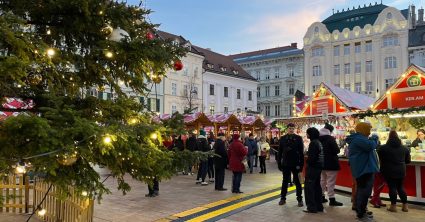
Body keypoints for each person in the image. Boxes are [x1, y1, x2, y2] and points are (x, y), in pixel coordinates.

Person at [346, 122, 379, 220]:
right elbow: (370, 146)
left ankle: (361, 210)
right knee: (364, 191)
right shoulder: (358, 139)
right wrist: (375, 138)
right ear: (364, 129)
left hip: (364, 168)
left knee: (363, 191)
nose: (370, 131)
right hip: (364, 169)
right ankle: (361, 213)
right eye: (368, 129)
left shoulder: (359, 138)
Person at [379, 130, 411, 212]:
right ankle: (405, 206)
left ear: (389, 137)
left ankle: (393, 206)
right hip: (401, 170)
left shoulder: (383, 148)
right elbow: (408, 161)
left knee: (392, 187)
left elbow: (380, 159)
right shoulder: (405, 148)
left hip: (388, 170)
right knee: (400, 187)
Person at [277, 123, 304, 207]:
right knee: (285, 181)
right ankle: (283, 198)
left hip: (296, 163)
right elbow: (280, 152)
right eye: (290, 128)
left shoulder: (298, 138)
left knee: (297, 182)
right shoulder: (283, 138)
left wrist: (301, 165)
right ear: (287, 129)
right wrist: (279, 163)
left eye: (292, 128)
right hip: (286, 163)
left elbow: (301, 152)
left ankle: (299, 199)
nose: (291, 130)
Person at [319, 123, 343, 206]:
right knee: (330, 182)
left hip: (321, 164)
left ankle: (321, 197)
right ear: (330, 131)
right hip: (331, 163)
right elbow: (336, 150)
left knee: (322, 181)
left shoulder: (318, 138)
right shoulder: (330, 139)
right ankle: (332, 199)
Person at [304, 127, 324, 213]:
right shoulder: (318, 142)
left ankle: (311, 207)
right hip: (319, 167)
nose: (306, 135)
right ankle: (319, 206)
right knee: (317, 186)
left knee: (309, 187)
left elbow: (312, 158)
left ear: (310, 134)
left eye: (307, 133)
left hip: (313, 168)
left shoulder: (313, 143)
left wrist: (308, 160)